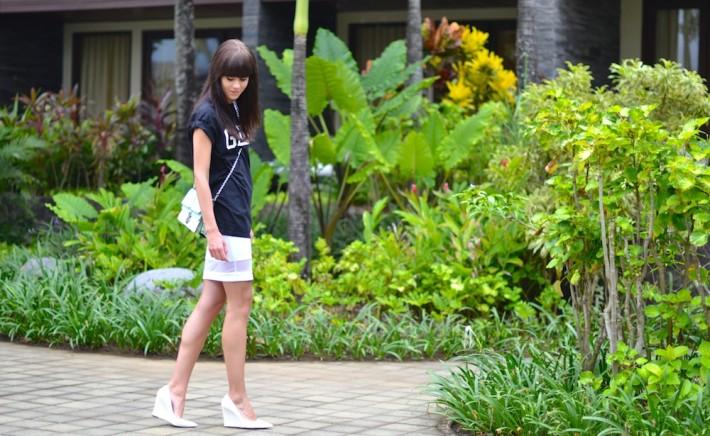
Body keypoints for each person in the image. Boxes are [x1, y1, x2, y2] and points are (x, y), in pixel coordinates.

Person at [151, 39, 272, 430]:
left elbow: (237, 172)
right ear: (216, 75)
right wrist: (215, 232)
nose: (236, 85)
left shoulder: (236, 110)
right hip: (223, 225)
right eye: (229, 78)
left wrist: (245, 220)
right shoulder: (206, 115)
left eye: (242, 78)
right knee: (241, 305)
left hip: (236, 221)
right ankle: (236, 399)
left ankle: (173, 395)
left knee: (210, 306)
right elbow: (201, 178)